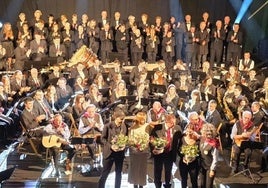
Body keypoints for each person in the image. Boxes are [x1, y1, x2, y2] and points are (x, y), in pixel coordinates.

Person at [150, 114, 182, 188]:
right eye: (172, 123)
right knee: (158, 171)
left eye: (174, 123)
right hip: (159, 154)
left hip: (170, 153)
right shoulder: (158, 127)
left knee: (168, 171)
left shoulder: (177, 128)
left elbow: (181, 140)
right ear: (167, 122)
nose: (174, 125)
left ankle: (168, 185)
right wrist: (153, 149)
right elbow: (151, 140)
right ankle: (157, 185)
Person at [98, 109, 127, 188]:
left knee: (118, 173)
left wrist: (124, 145)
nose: (122, 120)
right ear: (116, 118)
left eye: (123, 119)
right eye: (121, 119)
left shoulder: (124, 126)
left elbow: (125, 138)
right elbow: (102, 139)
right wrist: (111, 146)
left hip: (119, 153)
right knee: (105, 173)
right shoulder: (108, 126)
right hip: (109, 153)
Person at [128, 112, 150, 188]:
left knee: (142, 169)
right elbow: (130, 139)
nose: (143, 120)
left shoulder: (148, 126)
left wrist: (144, 145)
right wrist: (135, 144)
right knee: (134, 169)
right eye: (141, 119)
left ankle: (141, 185)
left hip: (144, 151)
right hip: (134, 151)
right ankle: (135, 185)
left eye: (144, 119)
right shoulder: (133, 127)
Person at [178, 122, 200, 188]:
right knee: (184, 180)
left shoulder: (197, 140)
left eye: (192, 129)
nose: (190, 130)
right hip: (183, 163)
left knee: (194, 181)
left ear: (194, 131)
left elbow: (199, 152)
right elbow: (178, 150)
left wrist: (194, 157)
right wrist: (183, 157)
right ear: (186, 129)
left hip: (193, 163)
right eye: (188, 128)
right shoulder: (182, 138)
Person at [199, 123, 219, 188]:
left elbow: (215, 159)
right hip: (202, 167)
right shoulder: (202, 140)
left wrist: (212, 170)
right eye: (207, 133)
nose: (208, 135)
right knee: (202, 184)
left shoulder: (214, 144)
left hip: (209, 168)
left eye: (210, 133)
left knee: (208, 186)